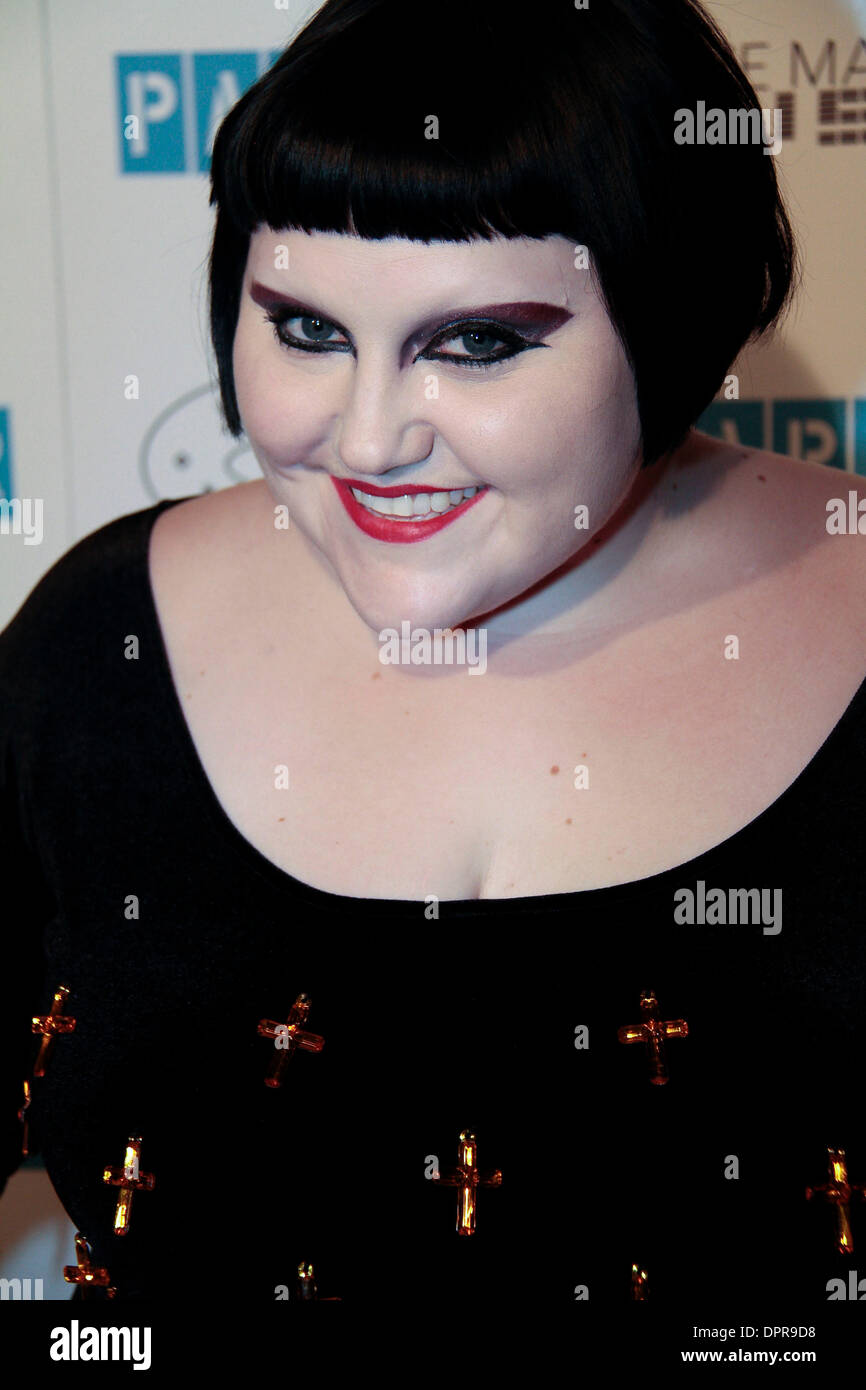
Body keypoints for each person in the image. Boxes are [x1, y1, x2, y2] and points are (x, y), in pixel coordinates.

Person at [2, 0, 865, 1313]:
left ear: (671, 306)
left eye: (476, 345)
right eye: (304, 330)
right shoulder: (97, 644)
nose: (365, 439)